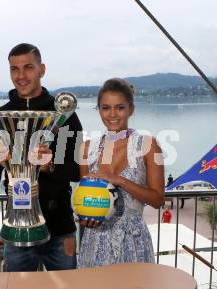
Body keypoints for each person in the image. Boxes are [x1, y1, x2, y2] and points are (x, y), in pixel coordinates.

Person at [0, 43, 83, 271]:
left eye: (28, 67)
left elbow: (76, 171)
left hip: (60, 227)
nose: (20, 76)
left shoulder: (64, 115)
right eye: (14, 69)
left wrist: (51, 165)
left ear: (42, 69)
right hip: (16, 229)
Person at [78, 78, 164, 268]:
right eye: (106, 108)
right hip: (95, 242)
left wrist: (119, 180)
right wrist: (84, 217)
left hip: (133, 242)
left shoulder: (149, 145)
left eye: (120, 107)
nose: (112, 114)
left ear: (131, 109)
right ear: (99, 110)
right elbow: (84, 198)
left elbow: (158, 200)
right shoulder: (86, 149)